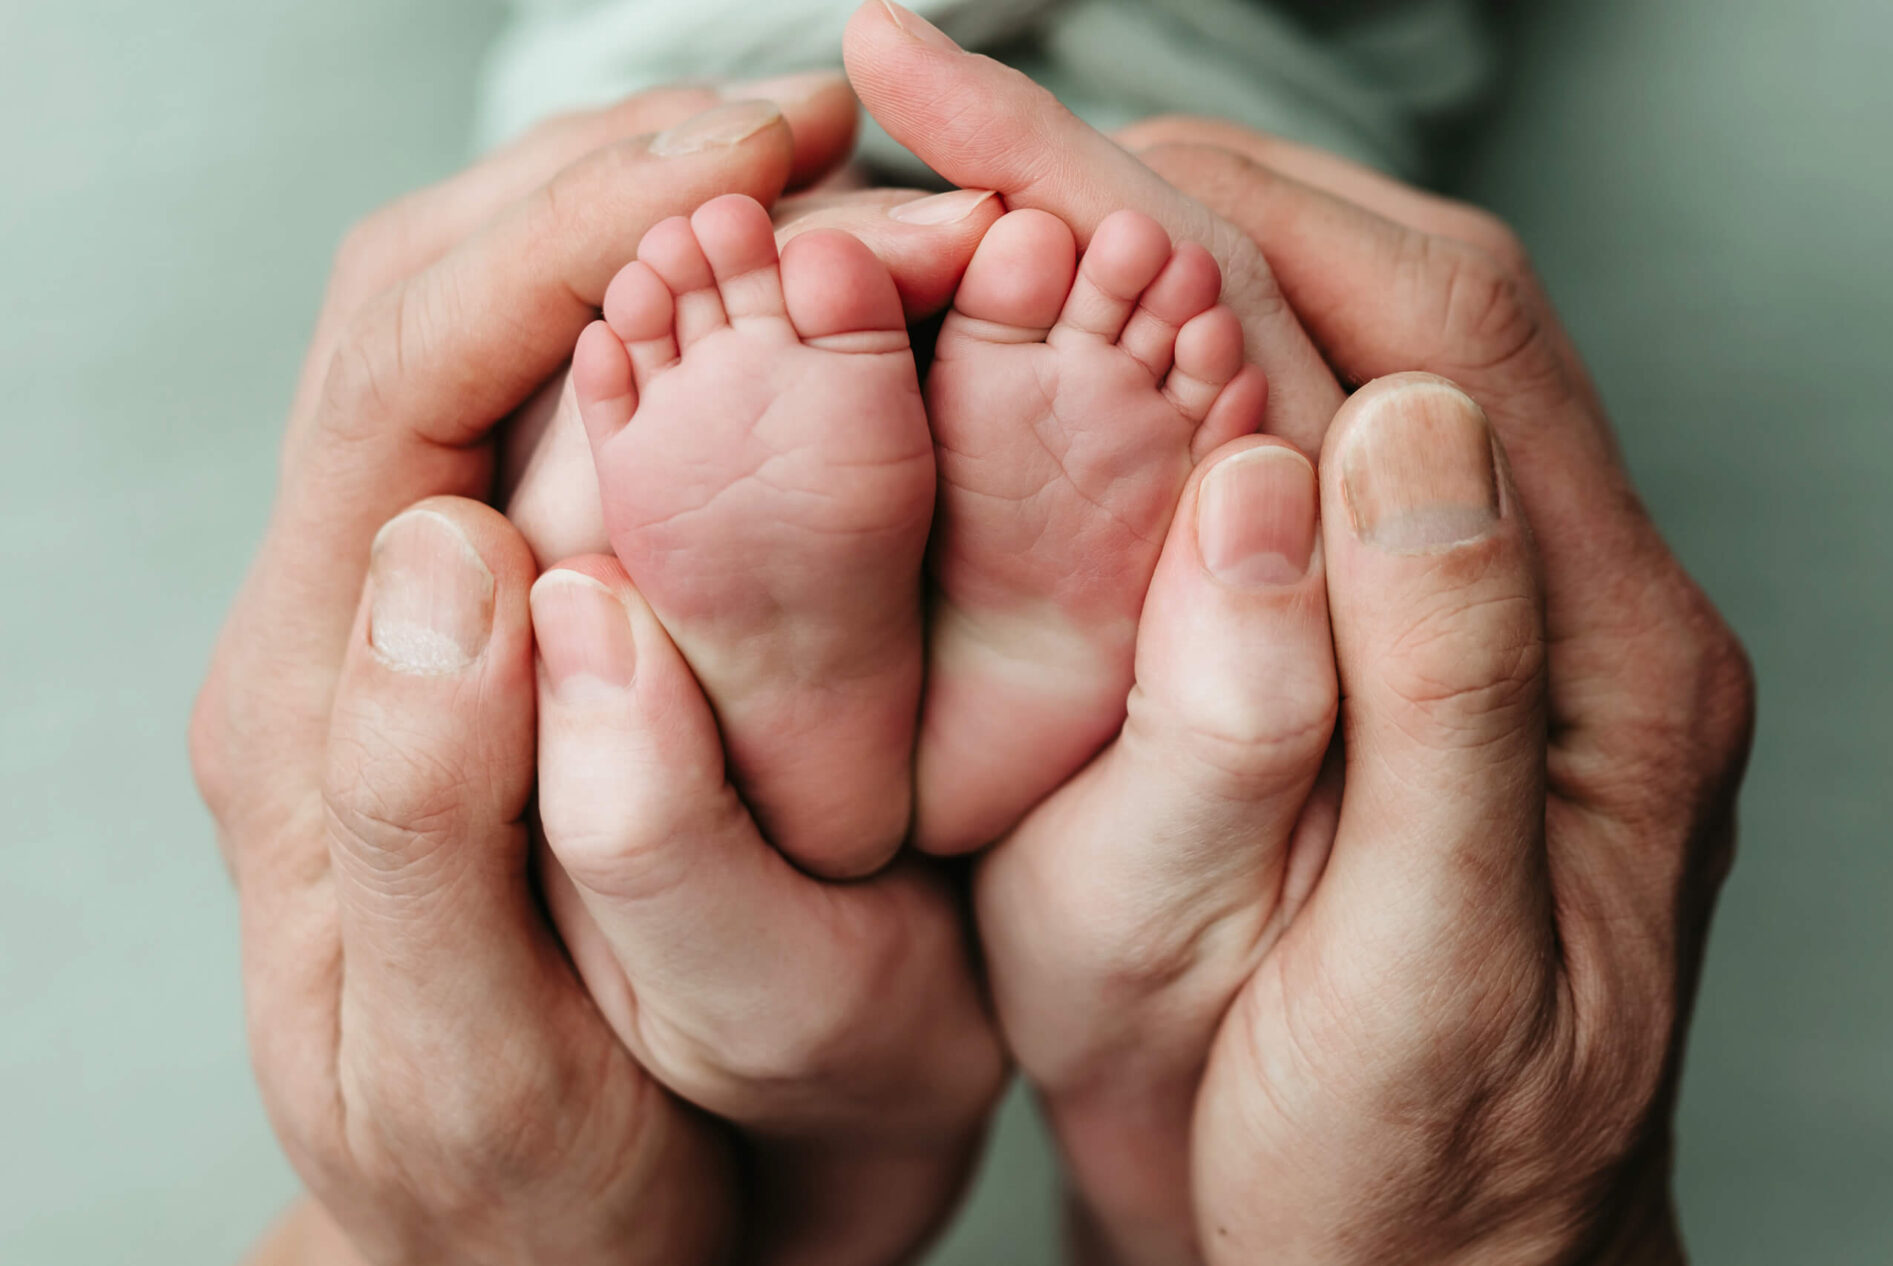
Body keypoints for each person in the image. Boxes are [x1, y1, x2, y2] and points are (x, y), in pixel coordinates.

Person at [191, 4, 1754, 1263]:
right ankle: (1017, 671)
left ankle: (721, 666)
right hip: (1188, 123)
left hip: (722, 107)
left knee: (678, 228)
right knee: (1235, 244)